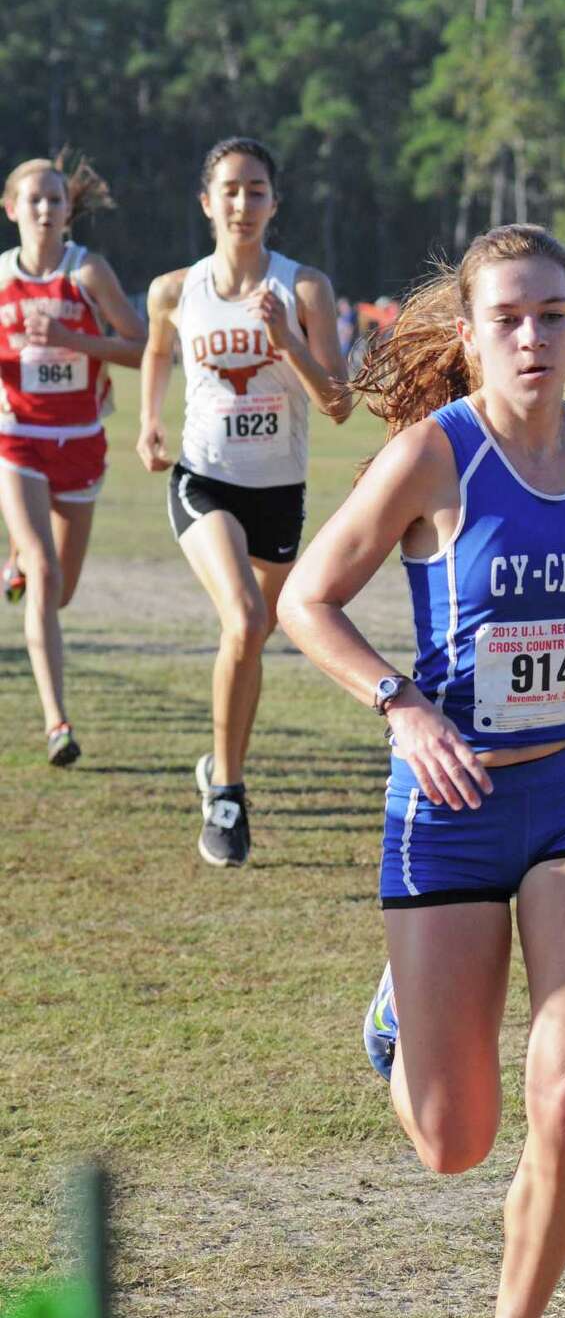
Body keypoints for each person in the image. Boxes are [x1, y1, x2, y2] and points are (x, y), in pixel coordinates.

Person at [276, 223, 565, 1318]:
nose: (534, 337)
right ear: (467, 337)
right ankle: (397, 1019)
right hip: (450, 806)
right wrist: (400, 707)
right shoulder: (432, 456)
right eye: (509, 318)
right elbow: (308, 599)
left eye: (554, 316)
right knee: (454, 1142)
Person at [137, 136, 349, 867]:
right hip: (204, 479)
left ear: (274, 203)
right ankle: (227, 792)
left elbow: (339, 405)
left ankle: (216, 763)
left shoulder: (306, 289)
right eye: (229, 189)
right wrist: (149, 419)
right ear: (207, 202)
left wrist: (287, 338)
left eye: (256, 190)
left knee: (249, 641)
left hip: (279, 493)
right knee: (246, 618)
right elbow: (157, 347)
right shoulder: (175, 289)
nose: (242, 203)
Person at [0, 154, 146, 765]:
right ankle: (57, 722)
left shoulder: (87, 272)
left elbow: (139, 349)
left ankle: (18, 566)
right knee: (45, 570)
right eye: (33, 199)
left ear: (68, 210)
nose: (44, 209)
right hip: (19, 438)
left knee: (58, 591)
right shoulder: (2, 278)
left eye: (55, 200)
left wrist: (71, 341)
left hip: (82, 441)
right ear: (11, 209)